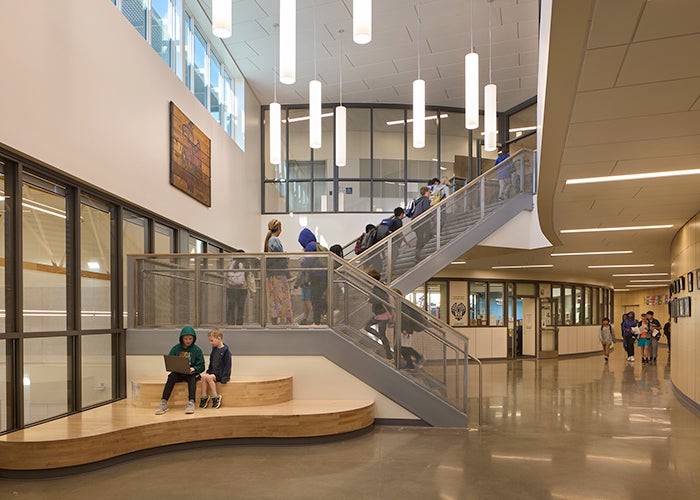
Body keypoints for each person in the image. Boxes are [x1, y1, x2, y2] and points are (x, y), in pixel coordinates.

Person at [155, 325, 205, 415]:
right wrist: (175, 367)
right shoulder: (175, 348)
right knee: (171, 377)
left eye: (190, 338)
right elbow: (170, 361)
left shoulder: (197, 350)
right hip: (178, 373)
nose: (188, 341)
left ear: (194, 339)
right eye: (186, 339)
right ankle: (163, 402)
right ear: (182, 338)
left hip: (190, 373)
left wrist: (194, 368)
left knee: (192, 379)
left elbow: (202, 366)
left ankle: (191, 402)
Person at [264, 219, 293, 325]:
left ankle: (275, 322)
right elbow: (280, 258)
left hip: (271, 275)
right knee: (283, 298)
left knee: (274, 299)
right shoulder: (275, 240)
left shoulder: (269, 240)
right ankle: (290, 322)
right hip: (279, 275)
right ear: (279, 228)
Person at [298, 228, 328, 325]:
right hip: (324, 276)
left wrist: (302, 263)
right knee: (318, 298)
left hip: (317, 277)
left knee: (315, 299)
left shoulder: (310, 246)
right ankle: (319, 318)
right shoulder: (317, 245)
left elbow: (308, 262)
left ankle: (317, 321)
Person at [392, 288, 426, 370]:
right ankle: (410, 364)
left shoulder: (402, 304)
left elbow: (405, 318)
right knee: (402, 347)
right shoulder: (401, 303)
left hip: (406, 329)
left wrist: (404, 329)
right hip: (404, 328)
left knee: (404, 347)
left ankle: (418, 357)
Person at [364, 268, 393, 359]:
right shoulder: (379, 286)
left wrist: (370, 299)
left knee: (369, 327)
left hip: (382, 315)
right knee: (370, 328)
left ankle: (389, 354)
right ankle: (388, 353)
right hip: (381, 314)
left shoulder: (378, 287)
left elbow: (379, 299)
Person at [198, 328, 232, 409]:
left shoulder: (226, 352)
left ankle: (215, 397)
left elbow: (228, 366)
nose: (210, 343)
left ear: (219, 338)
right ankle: (204, 397)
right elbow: (212, 362)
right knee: (204, 377)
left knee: (209, 378)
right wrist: (208, 371)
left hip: (220, 374)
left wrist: (225, 378)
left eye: (212, 340)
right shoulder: (214, 349)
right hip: (213, 372)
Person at [226, 250, 253, 326]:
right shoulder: (246, 265)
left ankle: (230, 323)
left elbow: (226, 276)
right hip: (242, 288)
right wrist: (252, 291)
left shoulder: (230, 264)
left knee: (231, 305)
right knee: (241, 306)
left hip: (230, 288)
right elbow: (250, 279)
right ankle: (239, 323)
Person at [409, 186, 433, 262]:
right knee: (429, 235)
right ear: (426, 192)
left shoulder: (418, 200)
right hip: (421, 222)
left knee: (420, 239)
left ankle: (417, 255)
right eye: (429, 192)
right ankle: (417, 254)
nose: (430, 194)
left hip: (415, 223)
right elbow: (426, 211)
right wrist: (432, 217)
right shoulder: (425, 200)